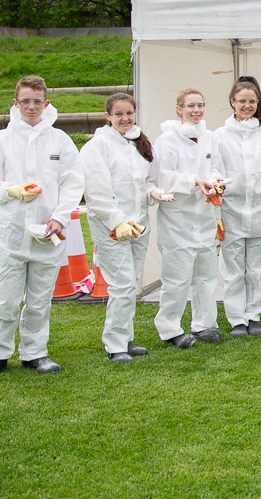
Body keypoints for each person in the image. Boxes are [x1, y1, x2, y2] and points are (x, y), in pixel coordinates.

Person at [0, 76, 85, 379]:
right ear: (15, 103)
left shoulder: (59, 140)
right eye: (26, 101)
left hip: (48, 232)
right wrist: (10, 190)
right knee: (5, 298)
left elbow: (72, 183)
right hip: (12, 232)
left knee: (39, 299)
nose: (31, 107)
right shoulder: (2, 140)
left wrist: (59, 217)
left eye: (37, 101)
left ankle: (35, 353)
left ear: (46, 104)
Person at [80, 92, 161, 364]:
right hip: (110, 225)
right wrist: (116, 221)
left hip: (139, 223)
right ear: (108, 116)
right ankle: (114, 344)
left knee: (131, 282)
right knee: (122, 284)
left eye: (129, 113)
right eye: (119, 114)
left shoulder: (140, 142)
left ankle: (125, 337)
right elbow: (96, 190)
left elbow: (147, 181)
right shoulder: (98, 146)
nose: (125, 118)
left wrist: (155, 194)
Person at [151, 87, 226, 348]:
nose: (196, 111)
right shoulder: (167, 139)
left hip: (203, 215)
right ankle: (170, 328)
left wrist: (215, 181)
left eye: (200, 105)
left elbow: (215, 166)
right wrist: (195, 181)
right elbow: (164, 176)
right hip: (178, 217)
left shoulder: (210, 137)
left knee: (205, 274)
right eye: (190, 106)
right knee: (177, 276)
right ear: (179, 109)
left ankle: (204, 324)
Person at [212, 76, 261, 337]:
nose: (247, 105)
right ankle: (236, 318)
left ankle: (253, 314)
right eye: (242, 101)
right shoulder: (219, 136)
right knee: (232, 268)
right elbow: (215, 170)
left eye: (251, 101)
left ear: (258, 103)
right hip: (232, 209)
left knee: (255, 267)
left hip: (259, 209)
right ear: (232, 102)